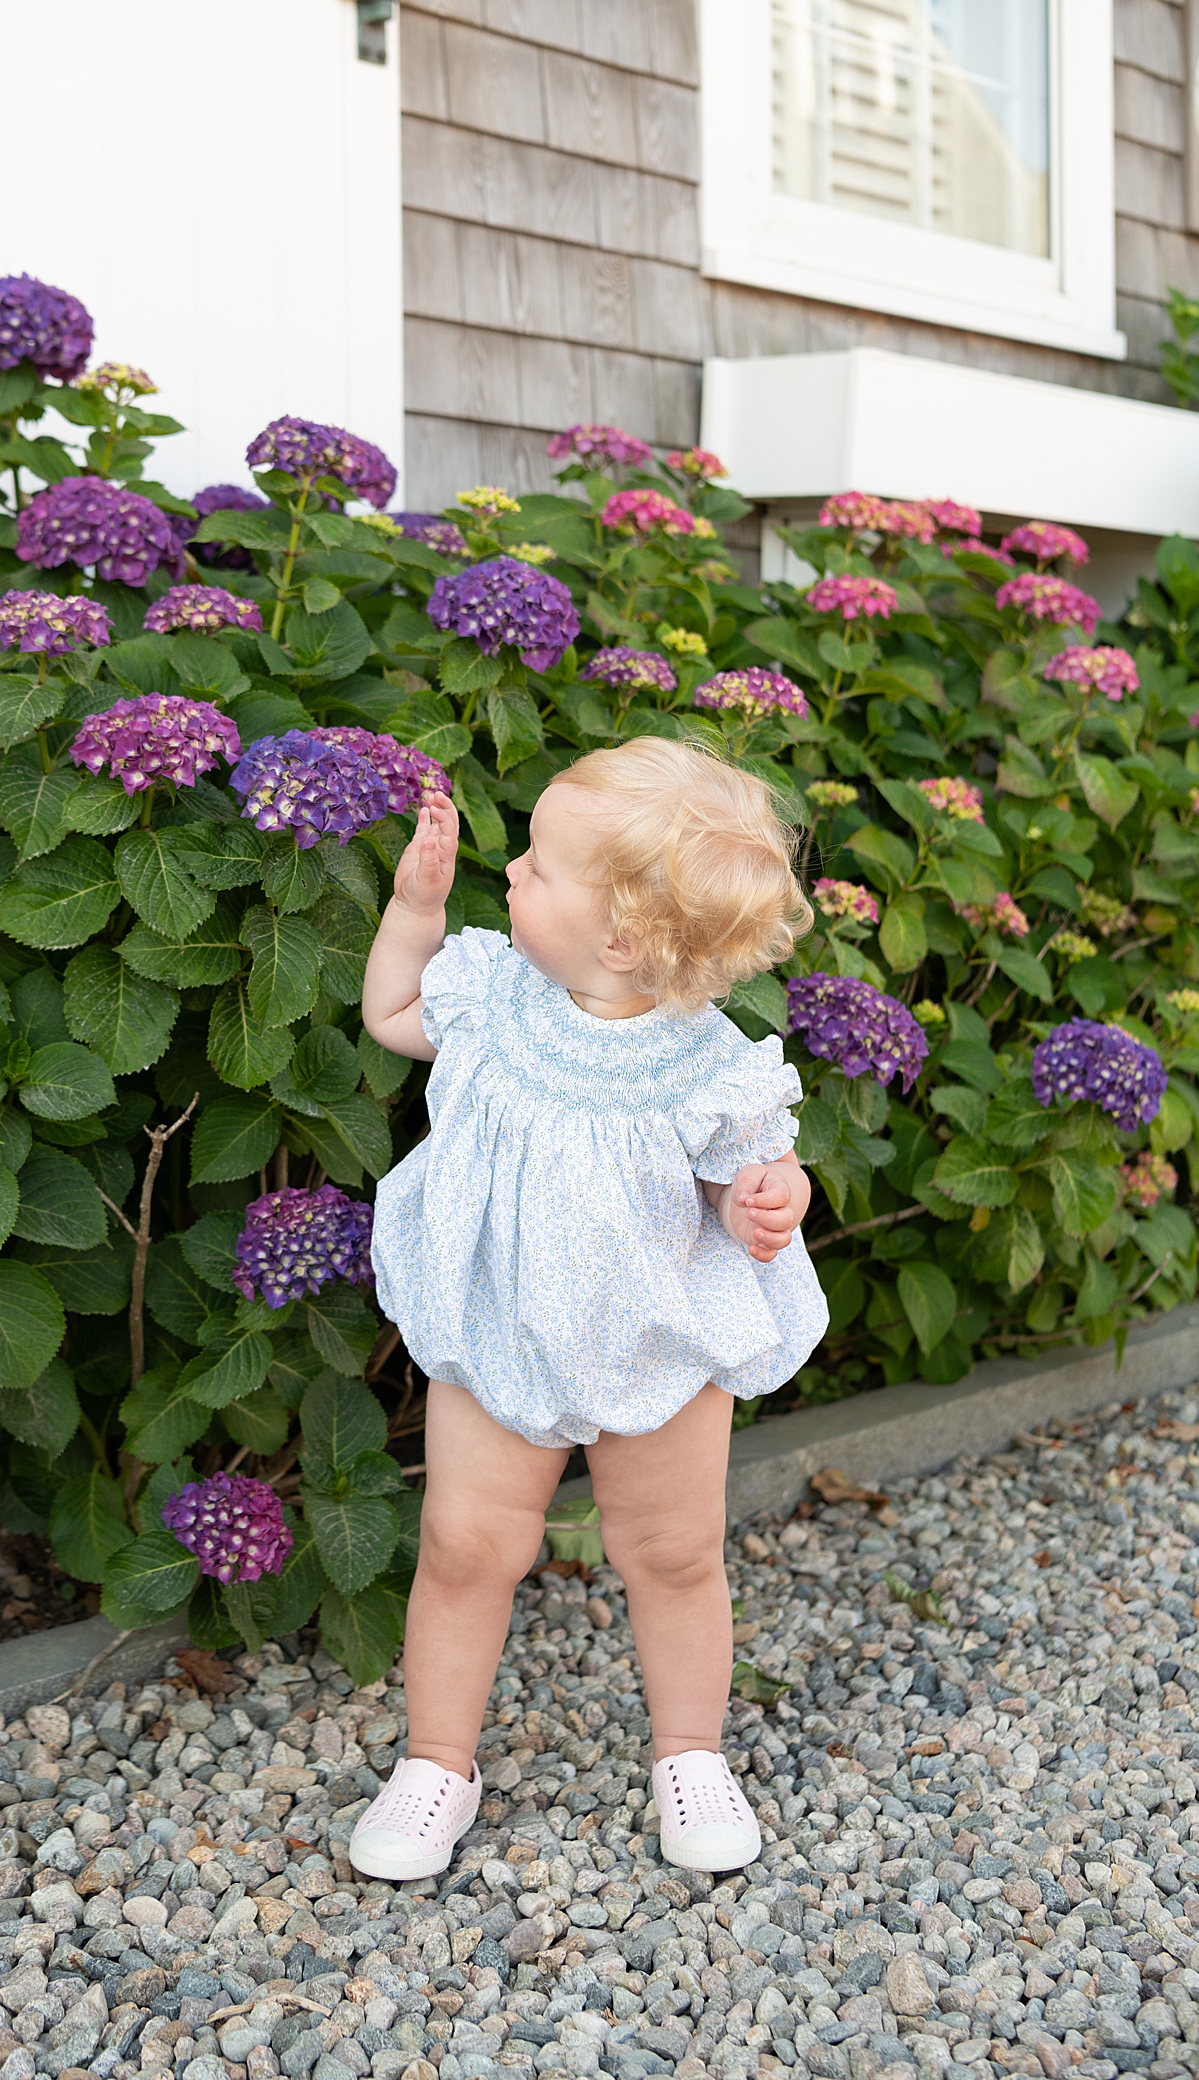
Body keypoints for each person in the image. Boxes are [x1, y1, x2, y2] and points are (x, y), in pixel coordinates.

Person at [349, 735, 828, 1881]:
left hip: (659, 1338)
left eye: (539, 867)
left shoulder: (710, 1064)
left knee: (671, 1550)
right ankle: (436, 1761)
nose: (508, 872)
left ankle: (690, 1753)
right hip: (505, 1327)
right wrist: (412, 912)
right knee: (467, 1545)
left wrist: (771, 1201)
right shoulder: (494, 998)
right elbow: (391, 1014)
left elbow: (747, 1182)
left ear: (620, 936)